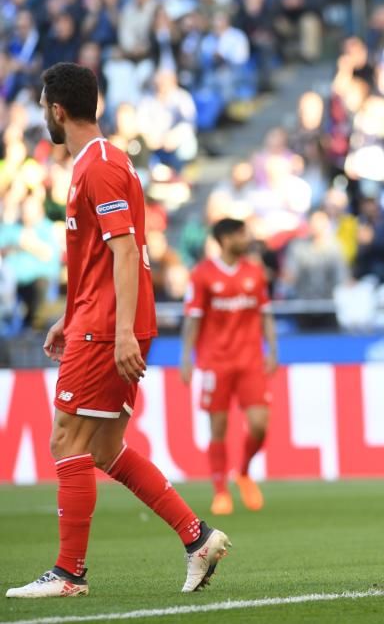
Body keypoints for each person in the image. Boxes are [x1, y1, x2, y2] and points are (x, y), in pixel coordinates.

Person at [6, 63, 229, 599]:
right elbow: (100, 257)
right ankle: (196, 537)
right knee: (104, 449)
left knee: (66, 439)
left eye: (43, 108)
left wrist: (121, 330)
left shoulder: (98, 166)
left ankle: (68, 572)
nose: (43, 117)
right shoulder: (105, 161)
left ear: (57, 111)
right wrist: (71, 313)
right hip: (98, 319)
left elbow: (126, 250)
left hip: (108, 327)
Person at [180, 218, 277, 516]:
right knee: (218, 427)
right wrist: (186, 358)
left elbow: (265, 314)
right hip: (215, 362)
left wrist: (272, 349)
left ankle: (244, 472)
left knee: (260, 424)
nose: (245, 238)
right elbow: (193, 318)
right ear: (223, 239)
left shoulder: (255, 272)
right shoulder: (202, 275)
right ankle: (220, 490)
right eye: (239, 234)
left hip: (249, 360)